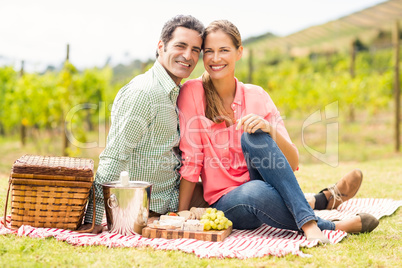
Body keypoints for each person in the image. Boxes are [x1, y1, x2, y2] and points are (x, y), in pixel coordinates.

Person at [177, 20, 379, 243]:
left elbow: (291, 163)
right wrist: (180, 213)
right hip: (228, 201)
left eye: (224, 50)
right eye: (209, 52)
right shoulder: (192, 92)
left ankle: (314, 211)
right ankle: (326, 218)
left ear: (239, 52)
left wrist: (270, 130)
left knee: (253, 136)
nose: (216, 58)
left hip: (266, 185)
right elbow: (191, 159)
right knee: (256, 190)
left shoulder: (257, 96)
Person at [79, 15, 207, 234]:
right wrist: (93, 219)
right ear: (161, 46)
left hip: (172, 197)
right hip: (150, 208)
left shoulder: (173, 92)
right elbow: (114, 156)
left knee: (231, 195)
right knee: (240, 205)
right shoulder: (144, 93)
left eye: (196, 50)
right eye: (181, 46)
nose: (188, 56)